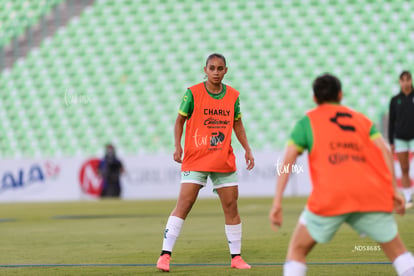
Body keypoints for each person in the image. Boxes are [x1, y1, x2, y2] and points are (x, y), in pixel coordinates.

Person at [269, 74, 414, 276]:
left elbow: (287, 162)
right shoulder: (362, 120)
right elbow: (385, 152)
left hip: (331, 195)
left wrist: (277, 201)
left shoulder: (306, 122)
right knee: (400, 254)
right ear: (340, 94)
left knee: (297, 250)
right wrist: (393, 190)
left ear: (315, 98)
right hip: (368, 193)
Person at [156, 53, 255, 272]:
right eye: (212, 68)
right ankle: (165, 255)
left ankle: (236, 258)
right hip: (196, 158)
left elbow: (237, 124)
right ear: (205, 69)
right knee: (185, 204)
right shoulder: (192, 93)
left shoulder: (233, 96)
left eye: (220, 69)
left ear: (226, 71)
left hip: (223, 158)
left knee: (231, 206)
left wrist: (247, 149)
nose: (216, 72)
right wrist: (177, 146)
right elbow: (179, 121)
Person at [388, 70, 414, 208]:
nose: (406, 82)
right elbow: (391, 122)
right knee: (404, 168)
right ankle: (408, 197)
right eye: (403, 80)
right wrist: (391, 141)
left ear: (411, 80)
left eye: (408, 79)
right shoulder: (394, 100)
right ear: (400, 82)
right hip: (400, 138)